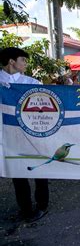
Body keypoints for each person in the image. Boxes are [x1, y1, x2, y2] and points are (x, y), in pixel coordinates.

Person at [0, 47, 49, 222]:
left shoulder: (32, 82)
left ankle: (42, 205)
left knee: (40, 170)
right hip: (8, 135)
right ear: (12, 62)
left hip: (32, 133)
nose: (26, 64)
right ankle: (25, 208)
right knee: (17, 172)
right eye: (23, 60)